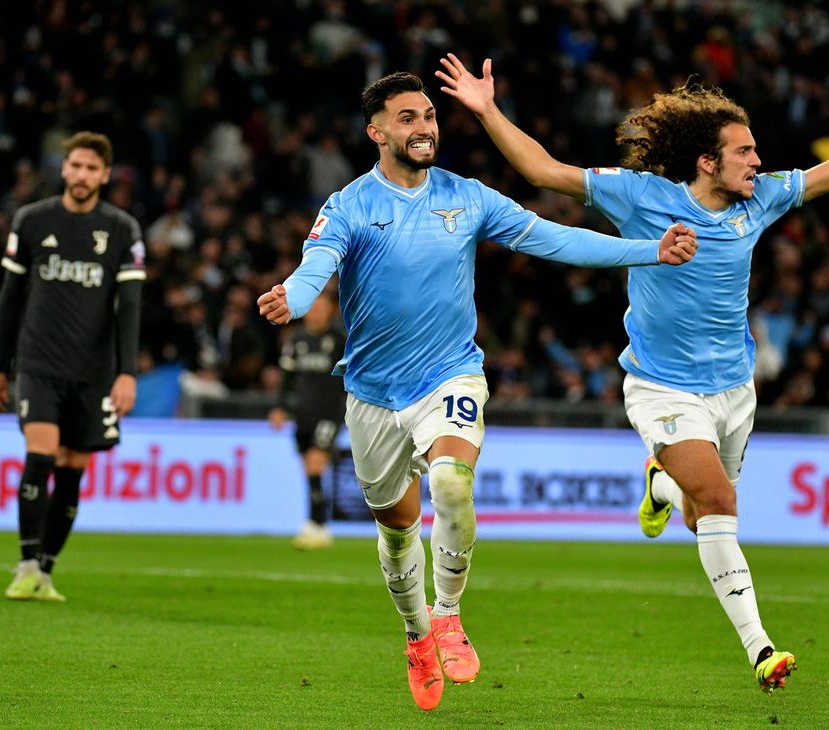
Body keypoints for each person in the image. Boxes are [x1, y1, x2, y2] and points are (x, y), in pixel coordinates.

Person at [437, 51, 829, 693]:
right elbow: (542, 169)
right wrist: (487, 109)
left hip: (735, 392)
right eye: (745, 151)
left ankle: (661, 487)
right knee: (721, 501)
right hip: (662, 387)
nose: (758, 160)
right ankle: (762, 649)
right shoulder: (642, 197)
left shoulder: (762, 200)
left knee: (701, 515)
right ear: (708, 161)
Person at [257, 71, 698, 711]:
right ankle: (415, 636)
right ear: (376, 131)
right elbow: (314, 268)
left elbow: (556, 238)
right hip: (374, 393)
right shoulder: (350, 204)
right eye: (407, 118)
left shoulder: (468, 198)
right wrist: (291, 301)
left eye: (430, 115)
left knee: (452, 482)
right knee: (397, 528)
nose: (424, 127)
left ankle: (448, 616)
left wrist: (648, 251)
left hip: (451, 374)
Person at [0, 131, 145, 602]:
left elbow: (129, 307)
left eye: (91, 168)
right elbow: (9, 299)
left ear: (105, 175)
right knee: (42, 452)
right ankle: (27, 563)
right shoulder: (32, 220)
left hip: (94, 369)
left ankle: (47, 570)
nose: (81, 175)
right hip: (38, 362)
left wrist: (127, 371)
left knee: (73, 465)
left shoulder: (122, 230)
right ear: (64, 168)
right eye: (75, 165)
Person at [268, 289, 347, 550]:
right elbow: (286, 377)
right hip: (303, 414)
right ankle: (319, 524)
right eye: (312, 308)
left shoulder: (339, 340)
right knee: (309, 470)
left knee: (315, 464)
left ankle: (316, 524)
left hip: (329, 414)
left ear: (329, 311)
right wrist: (279, 407)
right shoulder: (297, 340)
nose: (315, 313)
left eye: (321, 308)